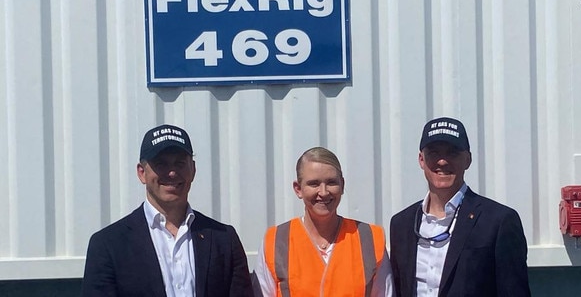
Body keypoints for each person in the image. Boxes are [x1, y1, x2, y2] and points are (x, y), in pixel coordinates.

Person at [82, 124, 254, 297]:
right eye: (161, 164)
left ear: (193, 170)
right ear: (142, 173)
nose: (172, 173)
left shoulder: (223, 239)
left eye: (179, 163)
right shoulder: (108, 244)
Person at [390, 117, 530, 297]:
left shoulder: (498, 221)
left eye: (452, 153)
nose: (442, 161)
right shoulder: (402, 224)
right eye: (433, 153)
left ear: (468, 160)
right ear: (421, 160)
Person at [253, 147, 393, 296]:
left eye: (331, 182)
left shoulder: (369, 239)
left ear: (342, 185)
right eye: (314, 184)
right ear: (298, 189)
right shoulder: (276, 242)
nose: (324, 192)